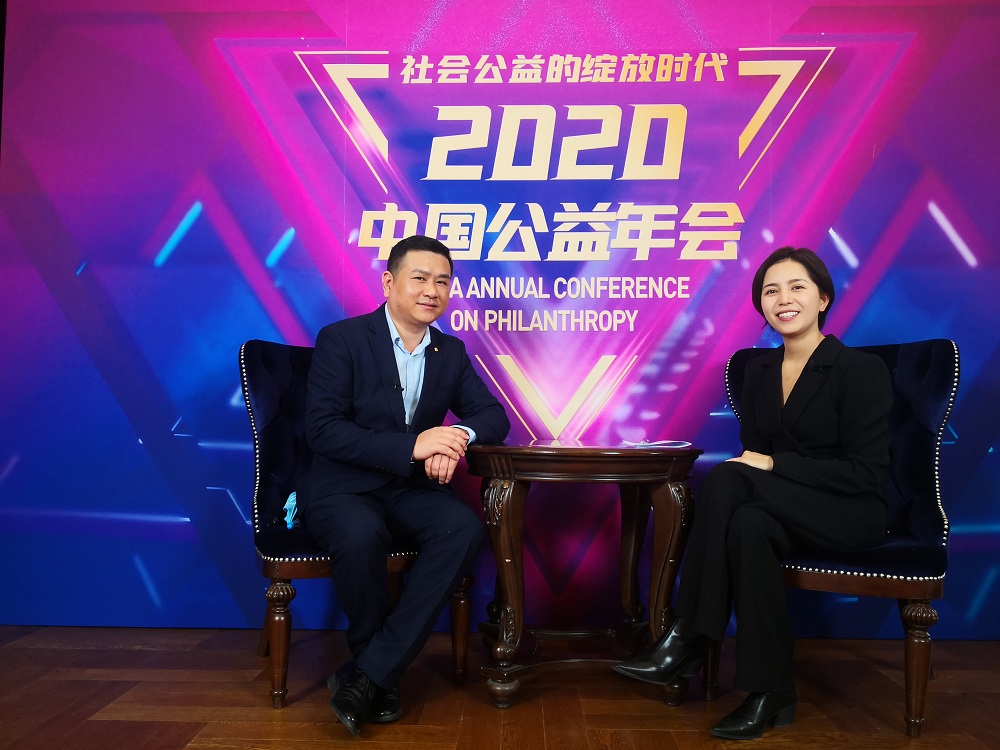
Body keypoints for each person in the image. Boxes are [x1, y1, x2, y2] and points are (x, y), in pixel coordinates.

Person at [614, 247, 892, 740]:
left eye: (797, 287)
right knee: (747, 525)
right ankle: (771, 690)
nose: (783, 299)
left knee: (726, 478)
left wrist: (775, 465)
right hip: (778, 508)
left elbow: (866, 474)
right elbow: (755, 456)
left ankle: (689, 634)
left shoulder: (859, 369)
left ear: (823, 298)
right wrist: (765, 467)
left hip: (849, 511)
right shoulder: (759, 371)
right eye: (771, 291)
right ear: (761, 305)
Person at [303, 234, 510, 736]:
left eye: (443, 281)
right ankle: (380, 672)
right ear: (389, 282)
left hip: (410, 489)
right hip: (342, 486)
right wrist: (415, 445)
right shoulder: (342, 339)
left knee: (461, 528)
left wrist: (455, 438)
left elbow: (493, 416)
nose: (432, 291)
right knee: (360, 533)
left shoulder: (450, 351)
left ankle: (370, 674)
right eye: (419, 278)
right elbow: (323, 429)